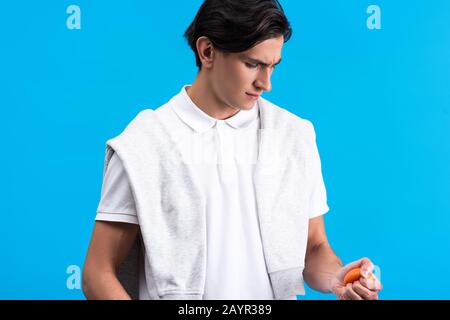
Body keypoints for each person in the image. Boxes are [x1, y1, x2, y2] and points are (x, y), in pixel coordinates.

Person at [82, 0, 383, 300]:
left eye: (272, 67)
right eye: (252, 64)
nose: (266, 83)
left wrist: (338, 278)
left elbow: (314, 246)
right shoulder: (144, 144)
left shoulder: (295, 135)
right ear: (207, 52)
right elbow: (98, 272)